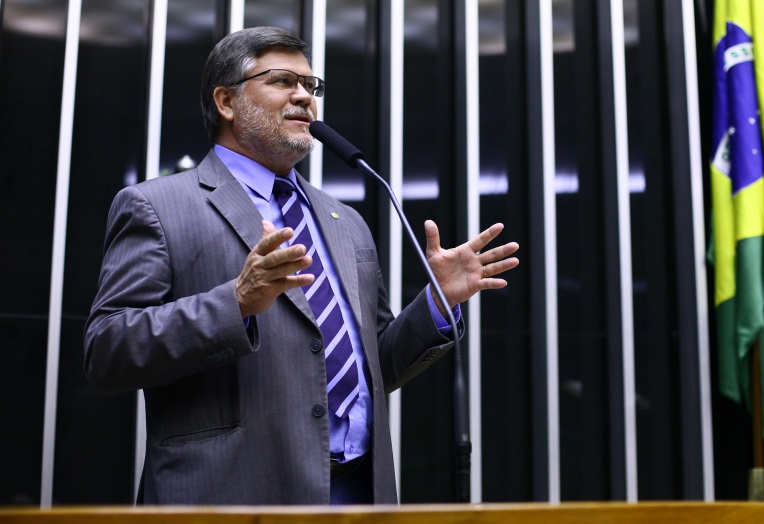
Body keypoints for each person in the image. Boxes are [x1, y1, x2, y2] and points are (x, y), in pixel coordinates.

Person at [84, 26, 519, 506]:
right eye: (283, 81)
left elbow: (377, 364)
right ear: (227, 101)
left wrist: (435, 302)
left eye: (311, 86)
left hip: (359, 492)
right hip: (230, 495)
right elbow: (108, 351)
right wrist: (235, 303)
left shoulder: (345, 220)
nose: (304, 98)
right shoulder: (157, 206)